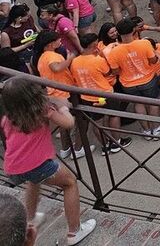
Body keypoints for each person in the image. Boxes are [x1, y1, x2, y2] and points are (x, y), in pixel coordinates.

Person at [0, 76, 97, 245]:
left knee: (33, 181)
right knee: (70, 183)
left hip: (13, 166)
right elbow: (68, 124)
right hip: (38, 165)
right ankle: (75, 231)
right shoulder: (43, 111)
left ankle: (29, 220)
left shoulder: (8, 118)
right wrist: (64, 108)